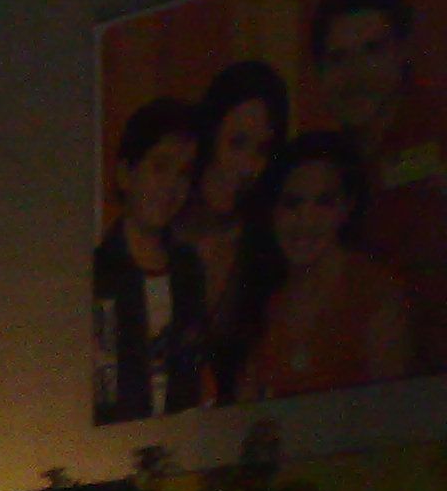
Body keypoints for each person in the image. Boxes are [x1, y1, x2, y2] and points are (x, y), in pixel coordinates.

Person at [310, 0, 447, 369]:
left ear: (402, 52)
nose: (356, 75)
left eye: (373, 50)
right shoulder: (324, 167)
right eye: (339, 58)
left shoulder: (438, 131)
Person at [232, 132, 414, 401]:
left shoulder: (374, 294)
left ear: (346, 208)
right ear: (272, 211)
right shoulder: (262, 298)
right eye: (292, 204)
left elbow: (394, 409)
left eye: (324, 203)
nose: (306, 221)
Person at [94, 97, 212, 422]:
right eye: (160, 167)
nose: (171, 186)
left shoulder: (189, 270)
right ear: (125, 174)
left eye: (183, 174)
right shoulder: (98, 272)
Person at [176, 60, 291, 387]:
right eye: (237, 143)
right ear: (209, 134)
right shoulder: (158, 225)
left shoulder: (266, 244)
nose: (248, 167)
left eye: (262, 150)